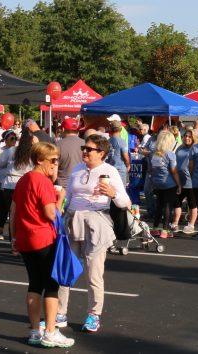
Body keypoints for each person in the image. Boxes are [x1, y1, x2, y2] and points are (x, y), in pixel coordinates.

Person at [56, 134, 131, 335]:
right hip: (73, 220)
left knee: (94, 273)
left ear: (102, 153)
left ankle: (93, 314)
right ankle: (60, 312)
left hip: (96, 221)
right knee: (66, 269)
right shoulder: (78, 169)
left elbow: (125, 203)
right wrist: (62, 214)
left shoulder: (110, 171)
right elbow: (70, 195)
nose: (85, 152)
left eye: (89, 149)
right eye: (84, 148)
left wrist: (113, 193)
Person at [10, 141, 73, 348]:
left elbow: (14, 211)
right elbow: (50, 213)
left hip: (26, 239)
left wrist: (13, 238)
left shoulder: (24, 180)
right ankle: (50, 331)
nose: (56, 164)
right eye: (53, 160)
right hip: (44, 238)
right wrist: (60, 199)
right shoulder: (42, 182)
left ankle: (35, 331)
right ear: (40, 160)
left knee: (34, 284)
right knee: (51, 286)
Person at [147, 130, 181, 237]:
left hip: (157, 182)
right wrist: (179, 184)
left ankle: (155, 228)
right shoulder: (170, 154)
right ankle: (165, 230)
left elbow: (151, 170)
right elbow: (174, 171)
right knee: (167, 206)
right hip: (168, 183)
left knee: (159, 205)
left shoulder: (153, 154)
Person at [0, 130, 21, 240]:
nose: (14, 141)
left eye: (15, 138)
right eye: (11, 139)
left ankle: (13, 233)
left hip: (11, 183)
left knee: (12, 208)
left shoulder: (17, 151)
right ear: (5, 140)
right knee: (2, 206)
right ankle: (0, 231)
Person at [173, 129, 196, 234]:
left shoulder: (195, 149)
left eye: (189, 136)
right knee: (177, 202)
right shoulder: (179, 148)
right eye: (185, 136)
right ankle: (175, 223)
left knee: (192, 204)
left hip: (191, 182)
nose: (187, 138)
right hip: (179, 181)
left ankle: (191, 225)